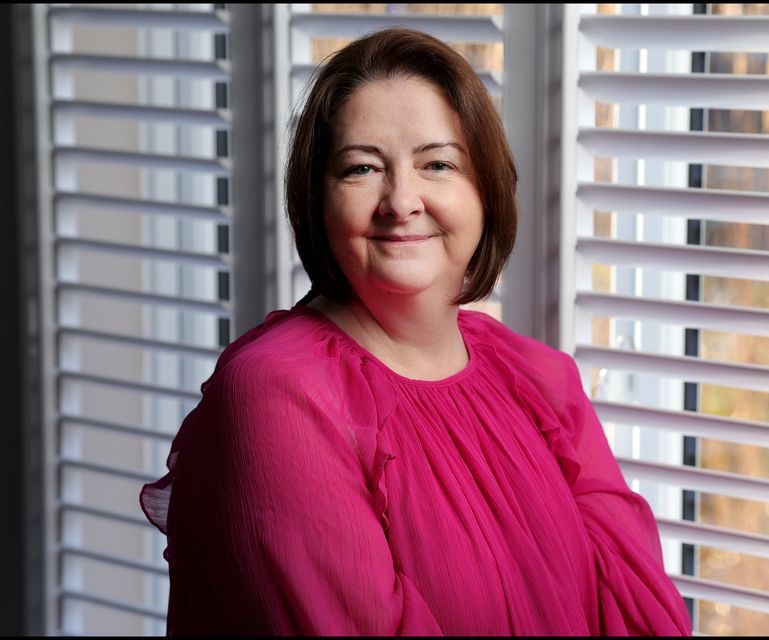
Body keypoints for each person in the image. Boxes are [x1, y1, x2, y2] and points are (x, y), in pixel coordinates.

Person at [140, 27, 691, 636]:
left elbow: (643, 616)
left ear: (485, 190)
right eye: (361, 168)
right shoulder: (277, 396)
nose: (401, 200)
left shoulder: (539, 379)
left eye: (438, 163)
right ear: (316, 202)